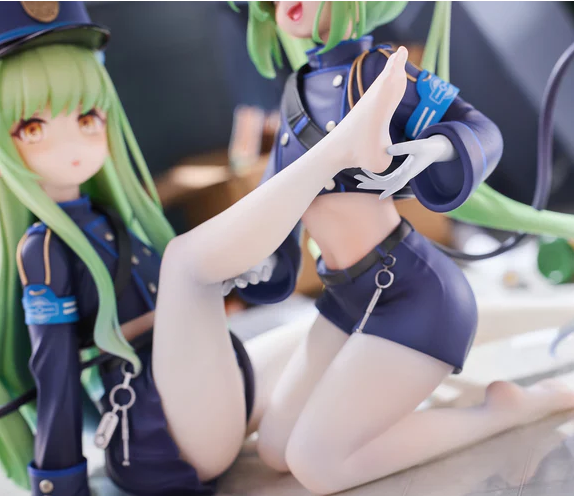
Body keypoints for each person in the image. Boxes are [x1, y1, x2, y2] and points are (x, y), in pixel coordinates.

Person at [233, 2, 574, 494]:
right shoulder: (296, 91)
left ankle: (500, 413)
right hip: (344, 298)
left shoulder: (375, 72)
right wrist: (260, 256)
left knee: (317, 464)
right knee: (275, 450)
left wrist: (436, 147)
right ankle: (383, 401)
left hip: (411, 298)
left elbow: (482, 131)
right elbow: (276, 193)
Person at [0, 2, 414, 495]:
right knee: (184, 261)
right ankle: (335, 150)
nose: (72, 142)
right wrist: (59, 483)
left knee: (334, 331)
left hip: (216, 392)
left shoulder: (110, 217)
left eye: (87, 116)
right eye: (33, 128)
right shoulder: (42, 250)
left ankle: (481, 412)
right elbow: (56, 374)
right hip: (160, 432)